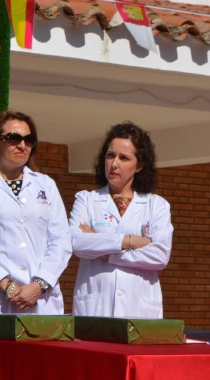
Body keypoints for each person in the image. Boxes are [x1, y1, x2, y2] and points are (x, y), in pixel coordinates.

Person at [0, 111, 72, 314]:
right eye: (13, 138)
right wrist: (8, 285)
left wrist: (39, 285)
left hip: (41, 300)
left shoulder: (46, 184)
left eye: (29, 139)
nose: (22, 145)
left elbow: (61, 242)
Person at [69, 121, 172, 318]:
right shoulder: (87, 199)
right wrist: (129, 241)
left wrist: (107, 253)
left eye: (124, 158)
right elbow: (76, 242)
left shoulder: (156, 205)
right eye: (110, 155)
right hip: (95, 308)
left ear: (139, 165)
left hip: (140, 309)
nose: (114, 163)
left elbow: (159, 255)